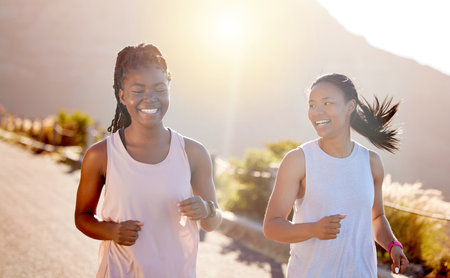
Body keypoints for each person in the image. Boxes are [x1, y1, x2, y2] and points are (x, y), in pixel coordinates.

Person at [74, 43, 222, 278]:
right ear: (122, 96)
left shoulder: (193, 153)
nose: (150, 98)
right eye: (138, 90)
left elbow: (212, 223)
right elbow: (82, 217)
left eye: (159, 89)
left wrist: (206, 210)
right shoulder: (101, 155)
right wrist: (112, 231)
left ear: (169, 91)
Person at [263, 73, 408, 277]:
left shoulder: (371, 162)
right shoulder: (299, 160)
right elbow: (272, 226)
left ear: (350, 107)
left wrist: (393, 245)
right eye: (312, 105)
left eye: (327, 103)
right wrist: (313, 229)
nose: (316, 112)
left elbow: (376, 217)